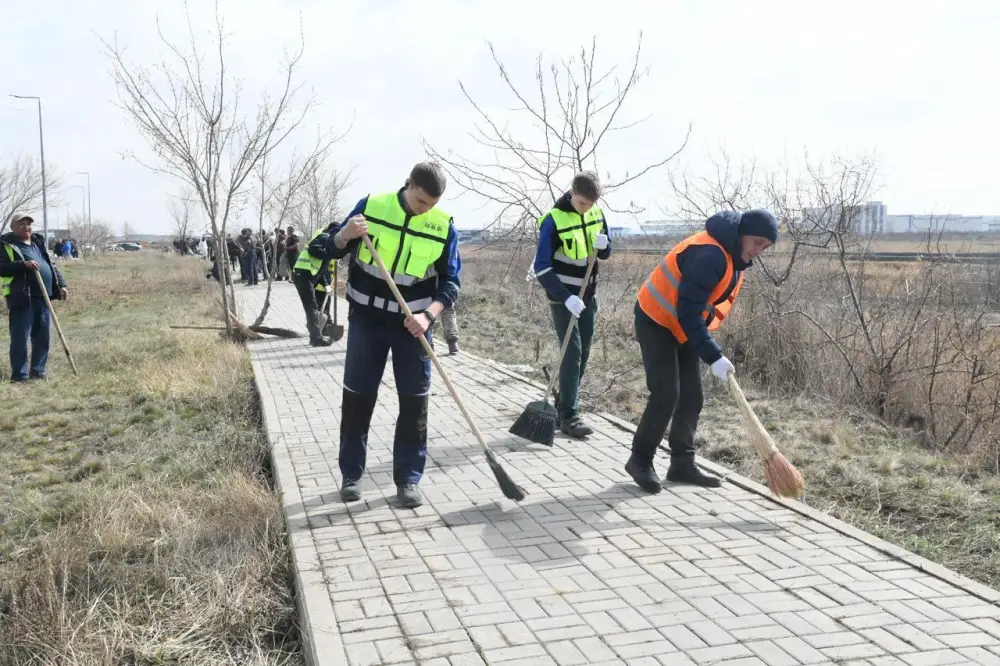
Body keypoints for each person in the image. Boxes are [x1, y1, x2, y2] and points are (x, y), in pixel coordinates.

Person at [321, 161, 461, 509]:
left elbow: (451, 284)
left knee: (415, 403)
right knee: (358, 398)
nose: (425, 208)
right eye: (421, 201)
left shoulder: (443, 226)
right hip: (367, 321)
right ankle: (351, 474)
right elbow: (330, 248)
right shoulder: (371, 207)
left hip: (412, 329)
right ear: (408, 185)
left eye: (432, 204)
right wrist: (345, 234)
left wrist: (428, 316)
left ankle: (409, 479)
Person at [625, 209, 778, 492]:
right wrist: (713, 355)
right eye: (757, 242)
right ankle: (640, 459)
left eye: (765, 247)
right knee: (666, 393)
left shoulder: (733, 257)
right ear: (742, 233)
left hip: (682, 326)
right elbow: (689, 311)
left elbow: (696, 312)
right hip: (656, 319)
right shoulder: (710, 255)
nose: (759, 250)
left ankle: (681, 464)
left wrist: (707, 349)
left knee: (692, 396)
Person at [531, 171, 611, 439]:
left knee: (584, 350)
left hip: (588, 295)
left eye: (590, 204)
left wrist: (605, 245)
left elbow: (606, 252)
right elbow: (541, 267)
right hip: (562, 295)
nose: (586, 208)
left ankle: (564, 404)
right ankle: (570, 416)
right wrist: (566, 297)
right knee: (572, 351)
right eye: (582, 203)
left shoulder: (596, 213)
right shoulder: (553, 221)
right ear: (572, 192)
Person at [0, 213, 68, 382]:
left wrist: (61, 284)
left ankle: (38, 371)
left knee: (42, 336)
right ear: (13, 227)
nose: (27, 227)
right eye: (22, 224)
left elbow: (51, 264)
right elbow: (2, 268)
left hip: (44, 297)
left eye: (29, 223)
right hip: (22, 297)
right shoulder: (6, 245)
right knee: (20, 338)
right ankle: (20, 376)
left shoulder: (38, 243)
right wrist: (23, 265)